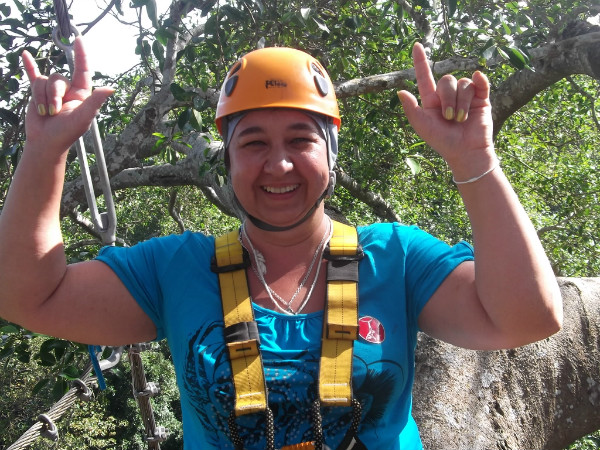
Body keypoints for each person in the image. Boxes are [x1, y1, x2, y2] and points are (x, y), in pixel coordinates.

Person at [0, 38, 562, 450]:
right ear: (227, 158)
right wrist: (45, 153)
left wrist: (474, 161)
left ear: (331, 156)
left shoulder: (396, 259)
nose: (279, 164)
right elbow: (25, 297)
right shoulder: (175, 271)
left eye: (300, 139)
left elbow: (528, 318)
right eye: (253, 143)